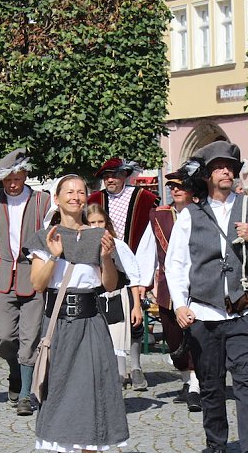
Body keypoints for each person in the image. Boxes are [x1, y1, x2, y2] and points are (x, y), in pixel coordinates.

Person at [165, 141, 248, 453]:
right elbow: (176, 264)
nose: (226, 171)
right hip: (205, 313)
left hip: (244, 312)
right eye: (219, 167)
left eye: (230, 166)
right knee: (212, 383)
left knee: (246, 380)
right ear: (208, 174)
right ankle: (216, 446)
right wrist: (180, 304)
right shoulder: (190, 215)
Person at [29, 174, 128, 453]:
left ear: (86, 198)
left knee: (89, 392)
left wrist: (104, 257)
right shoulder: (46, 236)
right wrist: (55, 254)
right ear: (56, 199)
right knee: (57, 391)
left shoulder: (99, 234)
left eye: (81, 192)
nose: (75, 196)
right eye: (69, 192)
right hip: (58, 324)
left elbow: (110, 285)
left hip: (90, 322)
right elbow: (38, 285)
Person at [0, 149, 51, 415]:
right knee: (5, 337)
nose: (12, 184)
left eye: (16, 178)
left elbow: (50, 241)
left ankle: (27, 395)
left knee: (30, 338)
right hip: (3, 276)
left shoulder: (42, 201)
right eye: (7, 179)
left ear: (25, 175)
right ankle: (15, 372)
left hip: (34, 277)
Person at [87, 157, 157, 389]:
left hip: (134, 262)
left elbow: (149, 238)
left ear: (125, 176)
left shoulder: (144, 198)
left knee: (134, 320)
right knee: (112, 319)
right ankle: (118, 369)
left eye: (114, 175)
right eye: (106, 176)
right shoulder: (96, 200)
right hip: (105, 266)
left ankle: (136, 367)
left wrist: (145, 276)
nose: (110, 180)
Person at [135, 166, 201, 410]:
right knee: (174, 339)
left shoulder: (202, 214)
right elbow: (147, 250)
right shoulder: (159, 215)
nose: (175, 190)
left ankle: (196, 386)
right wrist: (143, 282)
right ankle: (187, 380)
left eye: (180, 186)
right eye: (172, 186)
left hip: (198, 286)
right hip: (166, 288)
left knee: (195, 336)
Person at [86, 204, 143, 390]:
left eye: (100, 221)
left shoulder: (118, 245)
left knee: (121, 335)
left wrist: (136, 306)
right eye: (92, 222)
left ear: (106, 223)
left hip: (117, 295)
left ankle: (128, 371)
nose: (96, 226)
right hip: (95, 298)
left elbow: (133, 276)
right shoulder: (83, 246)